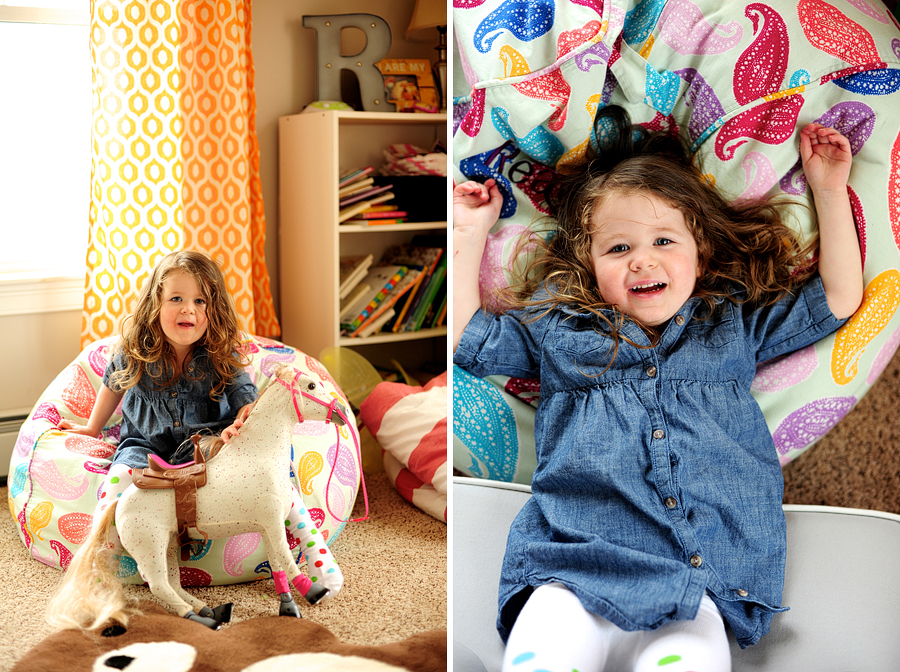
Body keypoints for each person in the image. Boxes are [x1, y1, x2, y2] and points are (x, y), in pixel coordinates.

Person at [452, 106, 862, 671]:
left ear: (702, 252)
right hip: (575, 562)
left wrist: (830, 190)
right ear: (589, 265)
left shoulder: (730, 326)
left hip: (701, 572)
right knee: (543, 651)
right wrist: (468, 234)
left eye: (664, 241)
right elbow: (468, 337)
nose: (642, 259)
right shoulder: (564, 332)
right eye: (617, 249)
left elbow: (839, 298)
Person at [59, 250, 342, 596]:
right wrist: (91, 428)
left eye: (199, 301)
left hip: (207, 445)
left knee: (276, 484)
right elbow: (112, 387)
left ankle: (315, 553)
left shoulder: (222, 352)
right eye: (175, 298)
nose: (187, 309)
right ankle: (100, 562)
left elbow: (245, 399)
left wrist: (242, 421)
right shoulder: (134, 347)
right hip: (145, 447)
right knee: (117, 488)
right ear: (155, 305)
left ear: (214, 310)